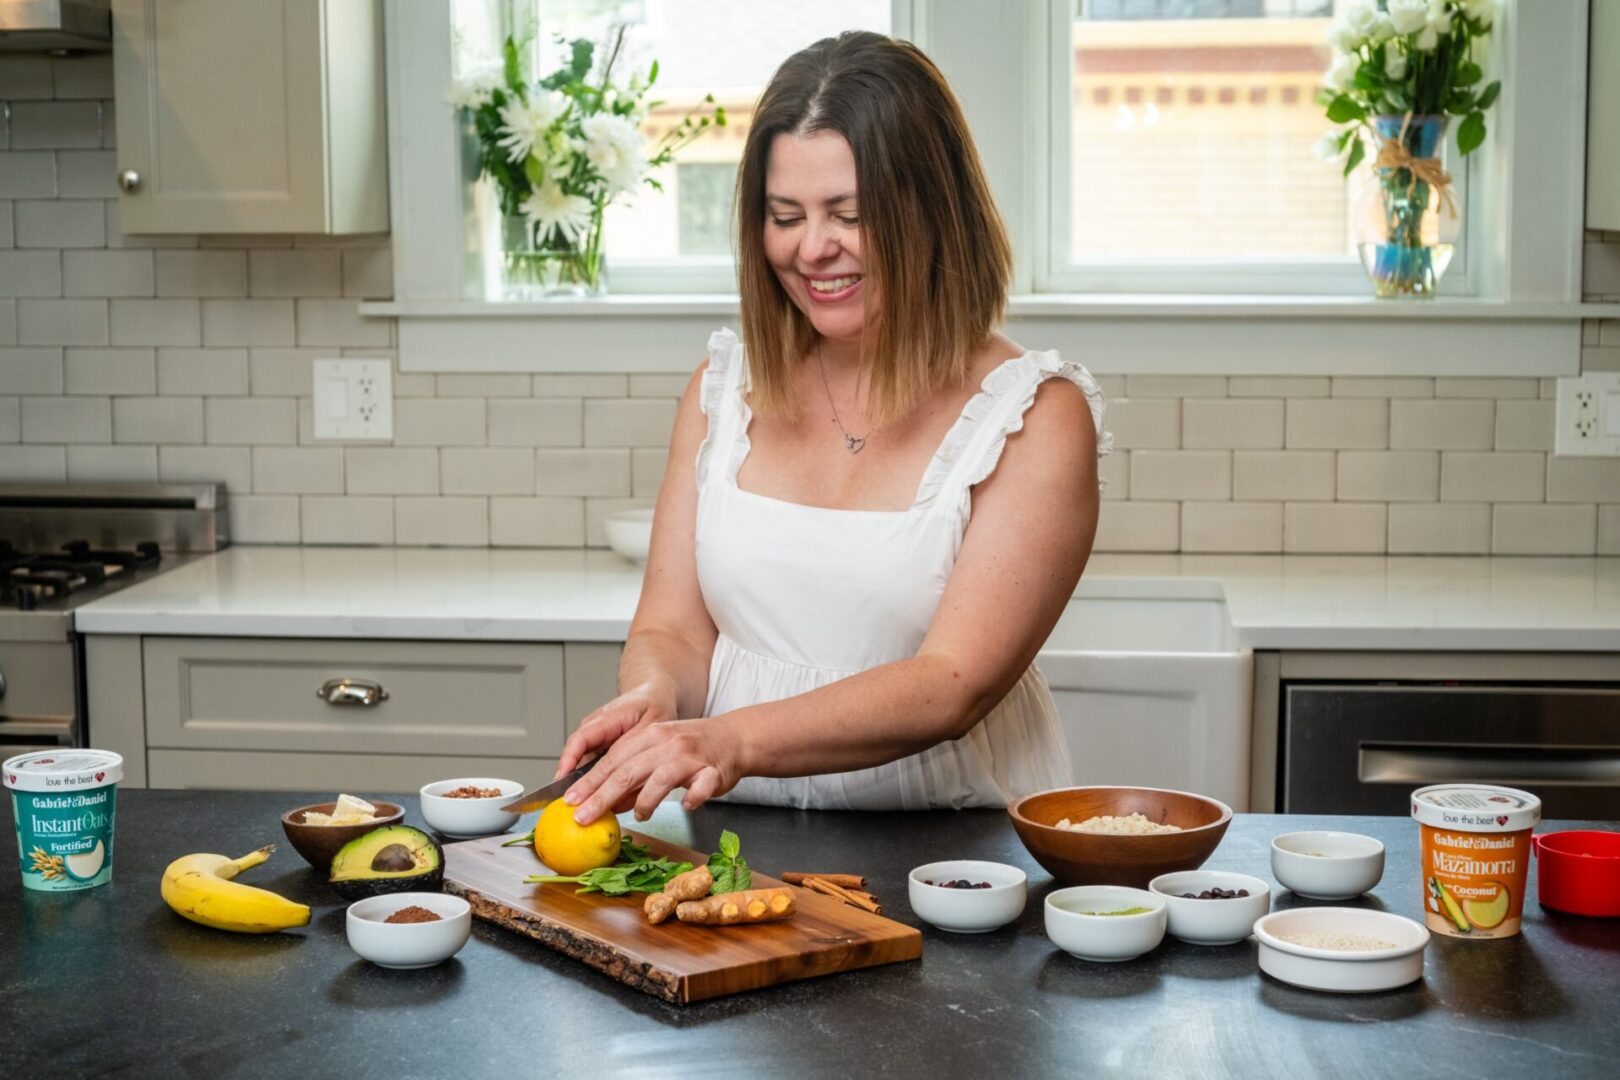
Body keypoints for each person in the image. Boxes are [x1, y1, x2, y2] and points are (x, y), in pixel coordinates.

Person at [557, 30, 1110, 825]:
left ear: (933, 212)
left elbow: (953, 682)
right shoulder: (722, 391)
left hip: (950, 857)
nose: (813, 249)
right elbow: (673, 626)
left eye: (849, 215)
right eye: (785, 216)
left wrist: (728, 741)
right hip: (733, 829)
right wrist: (652, 699)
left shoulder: (1036, 415)